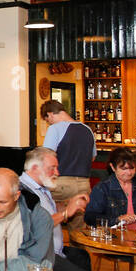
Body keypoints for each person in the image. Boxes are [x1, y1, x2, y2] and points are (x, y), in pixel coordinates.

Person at [19, 147, 100, 271]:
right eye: (52, 168)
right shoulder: (23, 191)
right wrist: (66, 213)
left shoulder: (41, 188)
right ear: (35, 168)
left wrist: (70, 203)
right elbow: (37, 226)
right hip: (38, 256)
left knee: (82, 256)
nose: (57, 173)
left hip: (54, 250)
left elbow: (50, 210)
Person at [40, 99, 96, 235]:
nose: (49, 123)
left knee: (52, 225)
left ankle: (56, 255)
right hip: (84, 185)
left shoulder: (55, 129)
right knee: (78, 233)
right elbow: (93, 157)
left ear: (50, 115)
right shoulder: (87, 129)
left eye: (48, 120)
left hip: (60, 184)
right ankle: (78, 256)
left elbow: (46, 158)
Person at [84, 146, 136, 228]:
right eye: (124, 168)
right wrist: (117, 219)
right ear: (113, 167)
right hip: (115, 235)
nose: (129, 172)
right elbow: (90, 217)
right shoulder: (102, 188)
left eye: (132, 168)